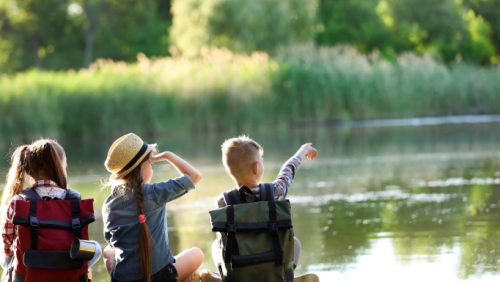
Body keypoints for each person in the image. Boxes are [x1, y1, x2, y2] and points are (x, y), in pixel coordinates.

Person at [202, 135, 318, 282]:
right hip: (274, 270)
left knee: (215, 245)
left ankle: (223, 277)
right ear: (256, 167)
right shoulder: (275, 192)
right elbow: (287, 171)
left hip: (238, 274)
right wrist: (302, 151)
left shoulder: (223, 202)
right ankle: (286, 276)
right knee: (294, 243)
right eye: (261, 160)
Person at [102, 133, 204, 282]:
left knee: (107, 252)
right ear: (143, 166)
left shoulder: (109, 204)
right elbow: (194, 176)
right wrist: (168, 156)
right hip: (159, 277)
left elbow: (112, 241)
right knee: (197, 253)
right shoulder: (154, 193)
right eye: (151, 162)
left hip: (123, 279)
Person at [0, 139, 98, 282]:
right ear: (60, 167)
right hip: (69, 273)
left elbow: (7, 247)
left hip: (28, 275)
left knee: (5, 255)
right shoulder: (75, 201)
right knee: (95, 248)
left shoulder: (18, 202)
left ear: (29, 170)